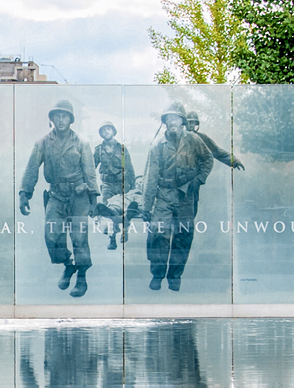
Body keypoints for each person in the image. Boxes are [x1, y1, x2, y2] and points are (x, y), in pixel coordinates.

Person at [19, 100, 99, 297]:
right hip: (55, 195)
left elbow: (90, 172)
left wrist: (94, 198)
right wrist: (24, 193)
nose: (61, 120)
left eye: (65, 116)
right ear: (52, 119)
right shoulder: (43, 142)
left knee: (79, 237)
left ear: (71, 120)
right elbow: (31, 168)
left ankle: (81, 278)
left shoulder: (82, 142)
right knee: (52, 236)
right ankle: (68, 264)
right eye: (57, 116)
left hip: (79, 196)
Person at [139, 103, 215, 291]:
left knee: (183, 237)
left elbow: (208, 159)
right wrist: (146, 207)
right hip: (163, 196)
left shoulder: (194, 140)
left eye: (176, 118)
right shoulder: (157, 145)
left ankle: (174, 276)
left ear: (182, 121)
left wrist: (199, 180)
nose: (172, 122)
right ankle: (157, 275)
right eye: (169, 119)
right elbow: (150, 177)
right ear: (164, 122)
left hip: (186, 197)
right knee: (158, 236)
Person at [91, 122, 135, 250]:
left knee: (124, 208)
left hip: (121, 184)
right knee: (107, 211)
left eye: (108, 129)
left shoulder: (120, 148)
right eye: (104, 130)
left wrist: (131, 185)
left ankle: (125, 231)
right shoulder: (99, 150)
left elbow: (128, 166)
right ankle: (111, 238)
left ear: (113, 131)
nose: (106, 131)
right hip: (107, 185)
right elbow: (91, 167)